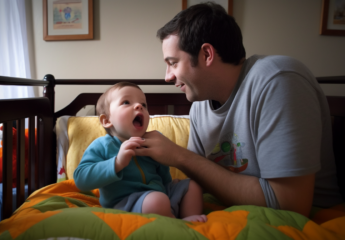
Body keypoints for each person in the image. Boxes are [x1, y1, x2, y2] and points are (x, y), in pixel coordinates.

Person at [134, 2, 343, 217]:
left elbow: (291, 205)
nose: (167, 76)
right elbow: (199, 180)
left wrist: (181, 157)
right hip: (232, 212)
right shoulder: (199, 106)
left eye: (173, 63)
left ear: (207, 54)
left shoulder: (278, 81)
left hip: (312, 219)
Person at [74, 82, 207, 222]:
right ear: (107, 120)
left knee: (192, 185)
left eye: (143, 105)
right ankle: (175, 222)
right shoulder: (102, 145)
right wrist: (117, 163)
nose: (139, 106)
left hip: (160, 196)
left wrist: (172, 186)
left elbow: (163, 175)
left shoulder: (152, 142)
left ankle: (190, 218)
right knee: (157, 200)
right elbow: (81, 179)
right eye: (126, 102)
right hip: (125, 204)